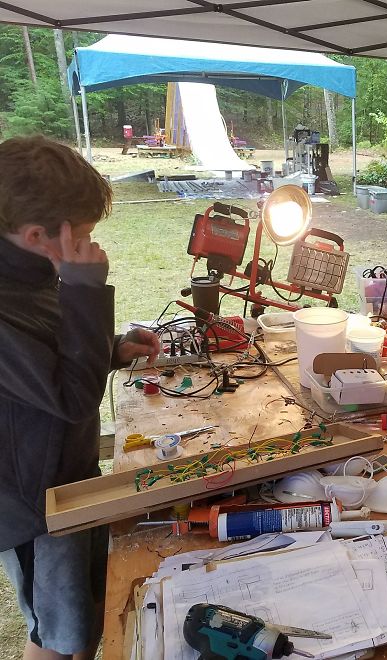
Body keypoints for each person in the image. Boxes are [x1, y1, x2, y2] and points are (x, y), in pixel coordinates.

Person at [0, 136, 161, 659]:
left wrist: (111, 348)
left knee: (89, 610)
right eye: (84, 235)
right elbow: (71, 398)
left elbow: (52, 355)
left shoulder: (29, 271)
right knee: (57, 633)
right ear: (34, 235)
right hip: (35, 507)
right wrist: (86, 288)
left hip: (68, 475)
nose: (91, 246)